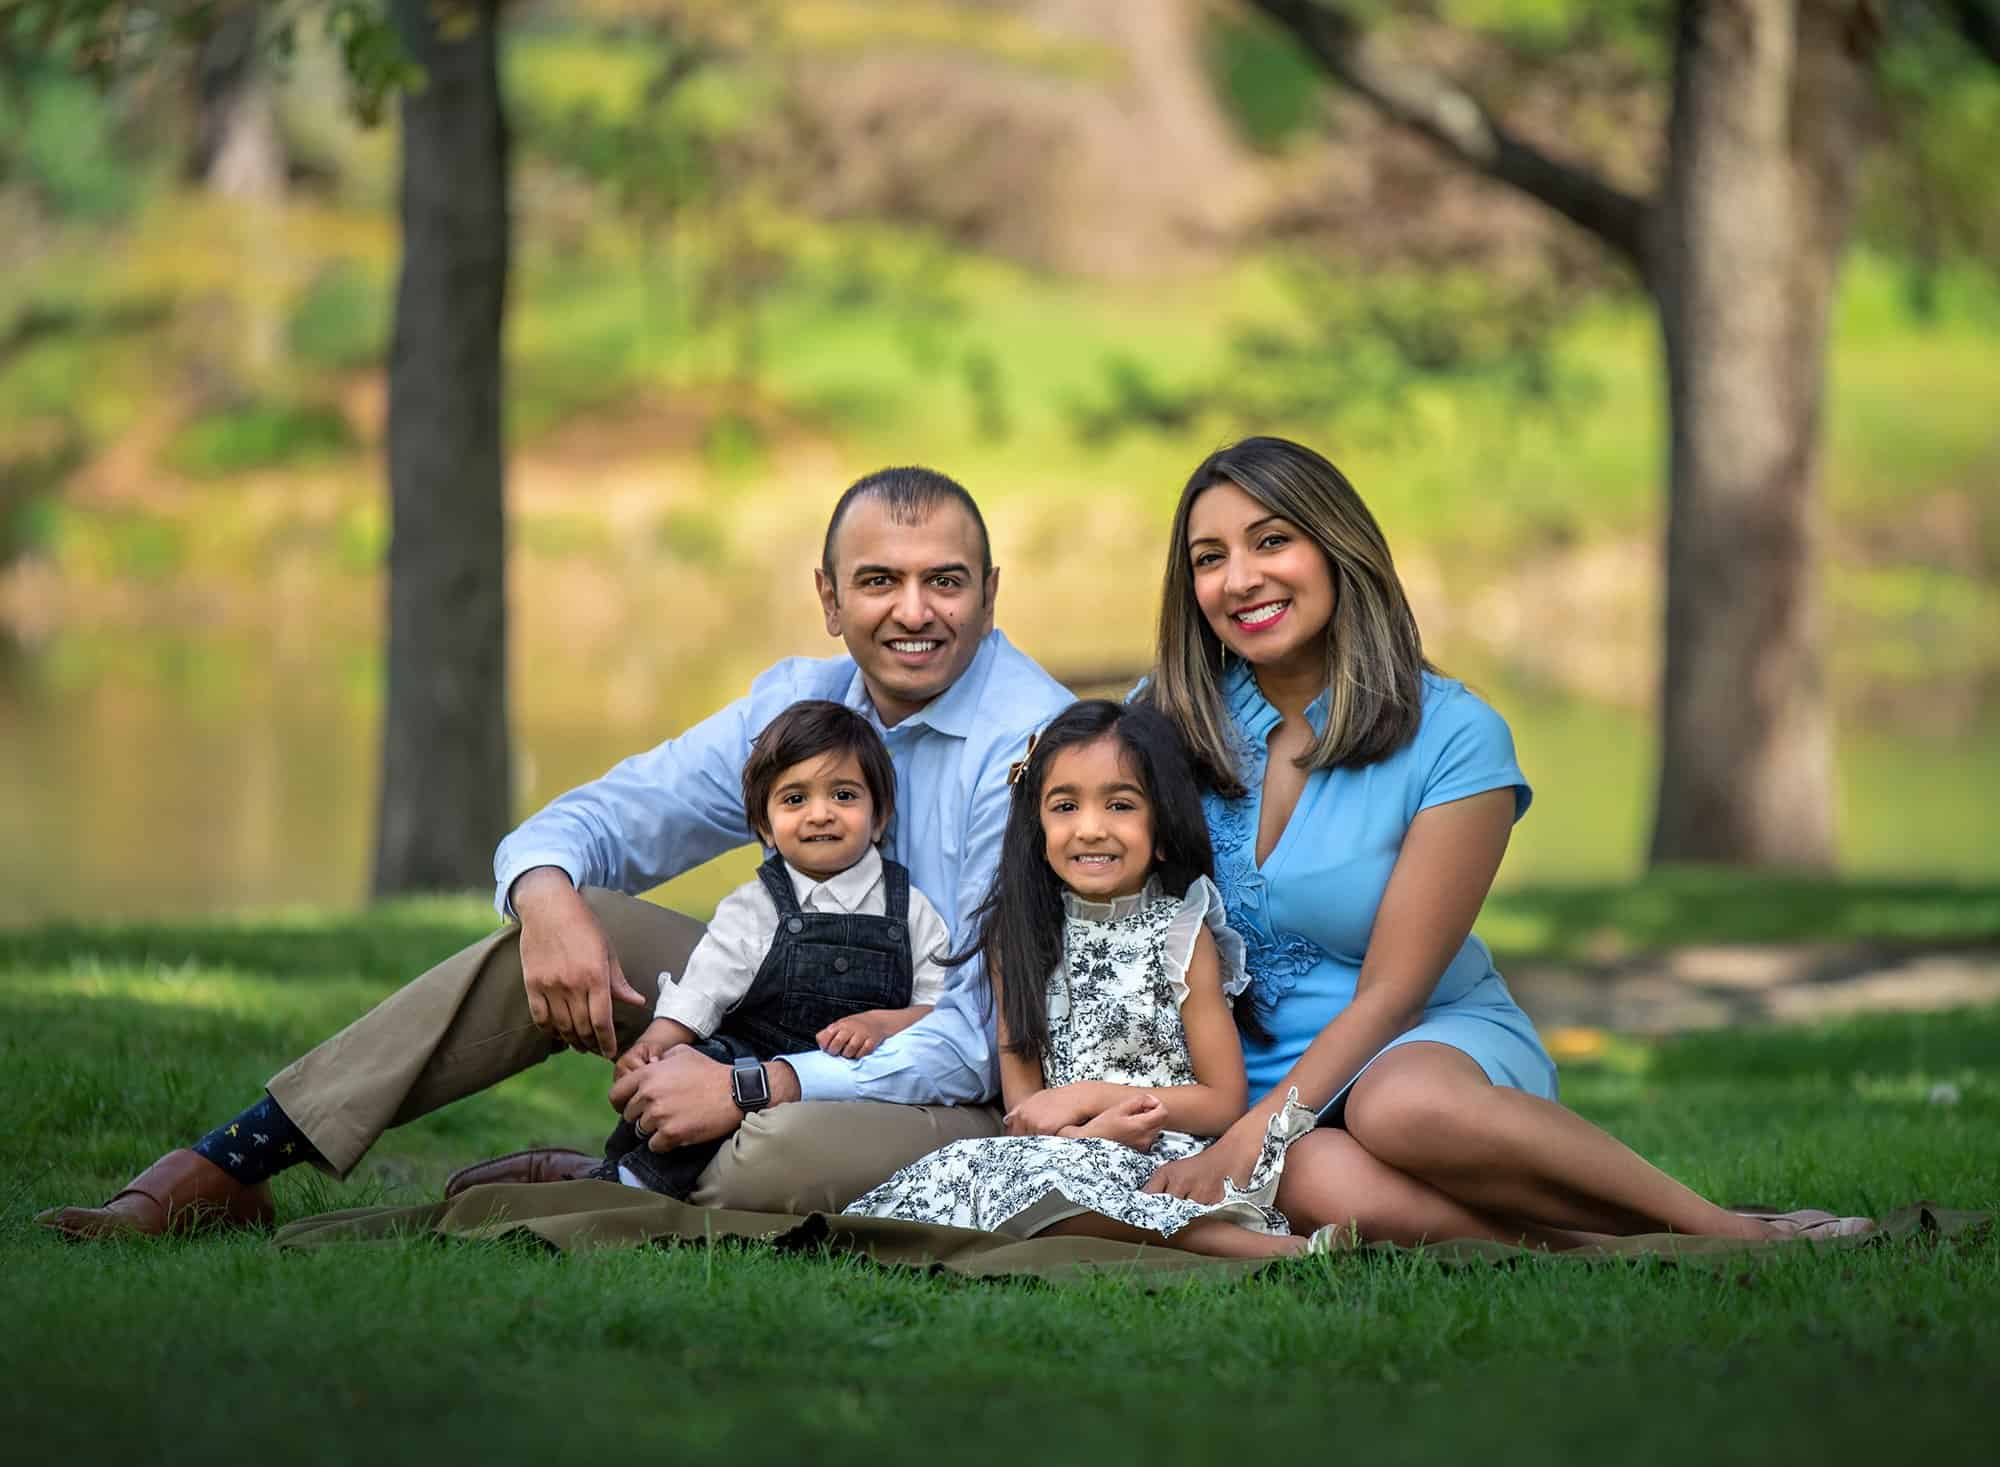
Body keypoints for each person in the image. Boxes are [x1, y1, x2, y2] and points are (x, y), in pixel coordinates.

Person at [38, 467, 1075, 1241]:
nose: (914, 611)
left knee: (772, 1156)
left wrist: (751, 1085)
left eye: (945, 581)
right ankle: (235, 1163)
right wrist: (544, 897)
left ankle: (591, 1181)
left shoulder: (1032, 746)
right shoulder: (796, 708)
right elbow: (603, 820)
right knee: (578, 920)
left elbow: (981, 1037)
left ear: (990, 591)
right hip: (799, 1018)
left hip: (963, 1089)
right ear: (827, 596)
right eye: (878, 581)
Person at [1133, 436, 1869, 1247]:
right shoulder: (1162, 721)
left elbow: (1392, 995)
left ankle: (1729, 1233)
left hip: (1422, 1049)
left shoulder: (1454, 734)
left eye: (1273, 540)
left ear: (1338, 548)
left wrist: (1246, 1141)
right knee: (1306, 1175)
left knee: (1397, 1107)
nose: (1240, 579)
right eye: (1209, 558)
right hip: (1250, 1087)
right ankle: (1581, 1246)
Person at [845, 700, 1328, 1260]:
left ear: (1163, 827)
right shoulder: (1020, 939)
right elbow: (1026, 1107)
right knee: (1000, 1180)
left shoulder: (1181, 931)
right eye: (1065, 806)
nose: (1091, 829)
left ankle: (1262, 1248)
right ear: (1037, 824)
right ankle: (1218, 1242)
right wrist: (1083, 1134)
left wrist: (1096, 1099)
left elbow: (1224, 1100)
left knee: (1055, 1202)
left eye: (1120, 805)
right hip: (1064, 1151)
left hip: (1163, 1148)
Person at [598, 698, 951, 1198]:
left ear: (879, 817)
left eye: (844, 795)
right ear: (765, 826)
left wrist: (882, 1023)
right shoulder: (756, 905)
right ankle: (628, 1172)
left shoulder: (911, 910)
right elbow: (707, 984)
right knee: (696, 1064)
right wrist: (661, 1036)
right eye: (794, 800)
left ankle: (663, 1182)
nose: (820, 814)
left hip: (847, 1081)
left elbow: (939, 1008)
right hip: (753, 1054)